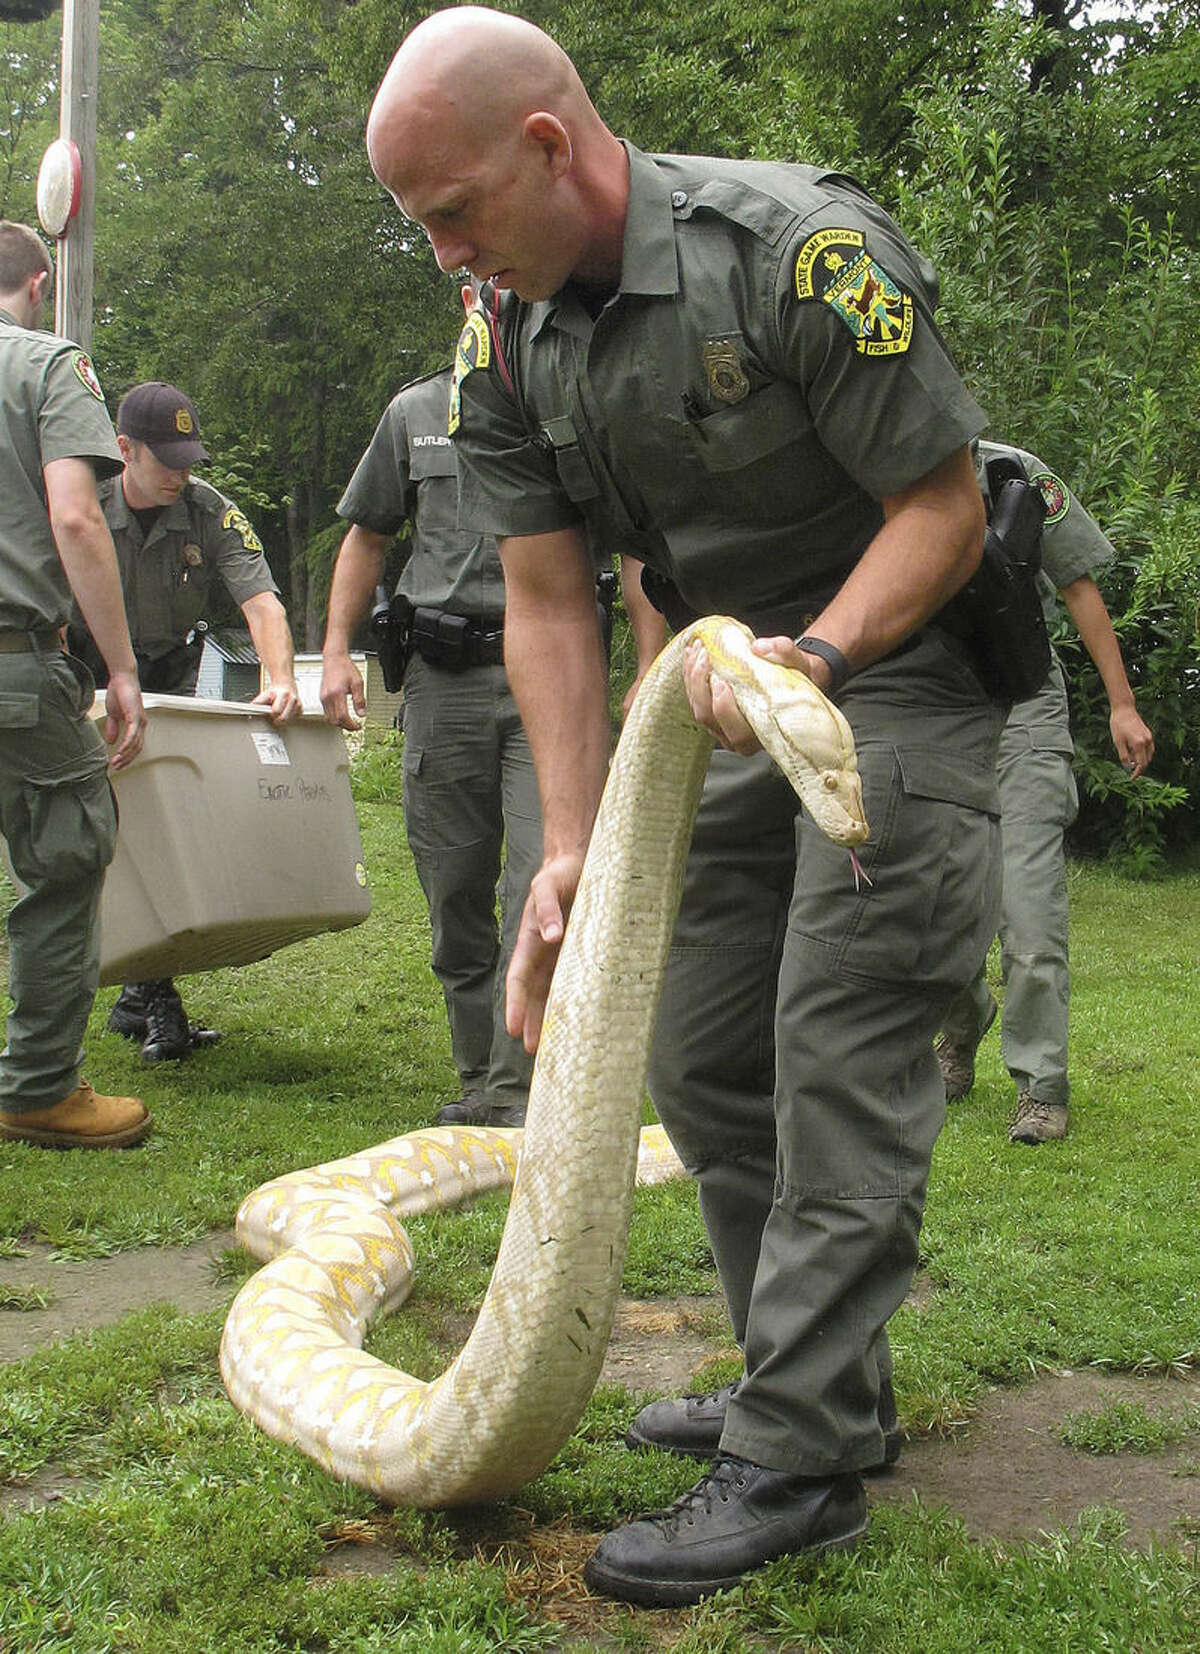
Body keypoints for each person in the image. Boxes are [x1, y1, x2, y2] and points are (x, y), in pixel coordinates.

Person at [366, 8, 1006, 1608]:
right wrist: (575, 845)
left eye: (455, 210)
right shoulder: (501, 339)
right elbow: (548, 597)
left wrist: (822, 652)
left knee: (841, 1042)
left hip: (897, 665)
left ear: (546, 144)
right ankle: (820, 1389)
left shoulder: (797, 256)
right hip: (715, 692)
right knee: (701, 1045)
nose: (448, 252)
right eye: (420, 227)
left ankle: (793, 1457)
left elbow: (942, 508)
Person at [322, 290, 664, 1127]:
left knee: (539, 878)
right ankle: (479, 1070)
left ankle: (523, 1086)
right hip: (443, 680)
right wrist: (332, 651)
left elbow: (634, 549)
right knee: (453, 884)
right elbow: (367, 533)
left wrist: (651, 660)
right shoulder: (413, 412)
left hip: (550, 680)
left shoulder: (575, 408)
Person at [67, 381, 302, 1063]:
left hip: (164, 682)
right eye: (165, 458)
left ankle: (144, 994)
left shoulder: (209, 513)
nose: (181, 472)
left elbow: (261, 602)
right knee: (101, 841)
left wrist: (281, 679)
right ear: (123, 449)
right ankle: (147, 999)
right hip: (86, 684)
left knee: (164, 836)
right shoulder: (81, 505)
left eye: (188, 457)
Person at [935, 441, 1154, 1145]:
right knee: (934, 905)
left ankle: (1039, 1086)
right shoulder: (863, 473)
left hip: (1022, 704)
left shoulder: (1011, 475)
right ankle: (963, 1025)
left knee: (1028, 913)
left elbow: (1078, 586)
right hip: (926, 710)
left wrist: (1122, 705)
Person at [0, 221, 150, 1150]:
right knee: (66, 862)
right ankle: (39, 1088)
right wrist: (121, 664)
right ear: (41, 282)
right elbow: (76, 517)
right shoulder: (49, 367)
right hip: (16, 663)